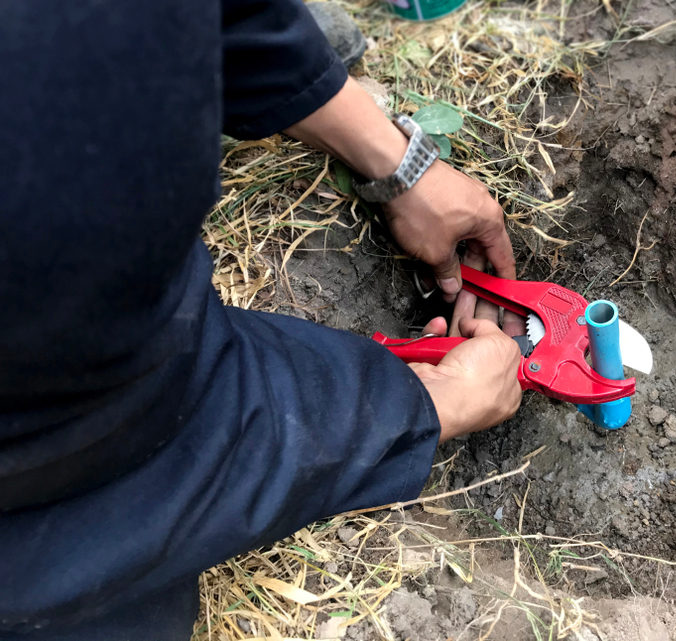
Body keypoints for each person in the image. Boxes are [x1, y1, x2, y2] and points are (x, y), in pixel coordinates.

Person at [0, 0, 524, 638]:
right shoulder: (46, 197)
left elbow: (224, 13)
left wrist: (396, 161)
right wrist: (426, 405)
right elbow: (151, 452)